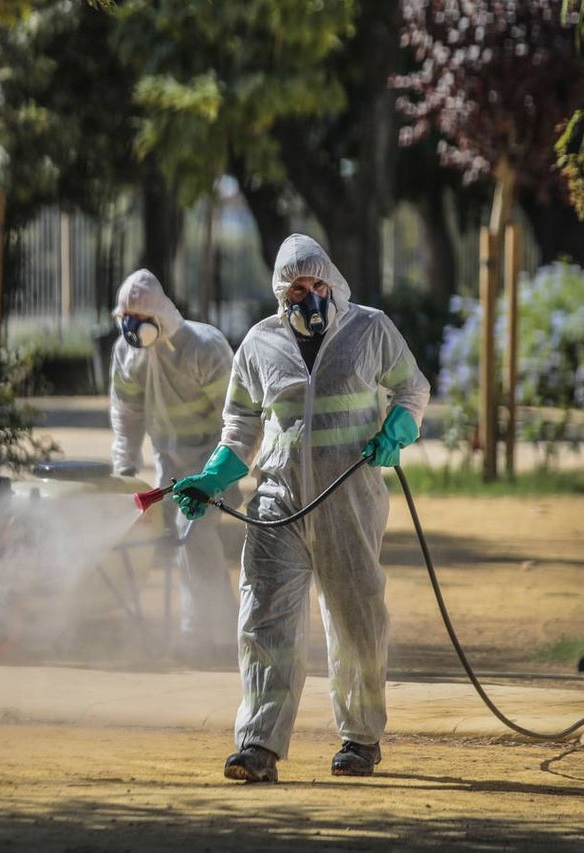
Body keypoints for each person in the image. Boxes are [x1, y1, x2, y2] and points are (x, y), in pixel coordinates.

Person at [172, 234, 430, 783]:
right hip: (277, 502)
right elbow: (240, 425)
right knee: (264, 618)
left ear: (332, 283)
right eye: (296, 288)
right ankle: (258, 743)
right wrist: (213, 477)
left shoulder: (369, 329)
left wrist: (397, 430)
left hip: (348, 500)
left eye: (317, 284)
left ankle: (360, 738)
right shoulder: (259, 344)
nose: (309, 296)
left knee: (356, 617)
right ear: (281, 293)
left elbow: (412, 388)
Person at [109, 268, 239, 666]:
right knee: (179, 545)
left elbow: (237, 415)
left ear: (159, 316)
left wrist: (224, 470)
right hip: (168, 463)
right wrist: (124, 469)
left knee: (195, 538)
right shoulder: (129, 354)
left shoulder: (204, 348)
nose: (131, 327)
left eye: (139, 318)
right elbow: (127, 414)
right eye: (126, 318)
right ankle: (216, 631)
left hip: (210, 461)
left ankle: (204, 635)